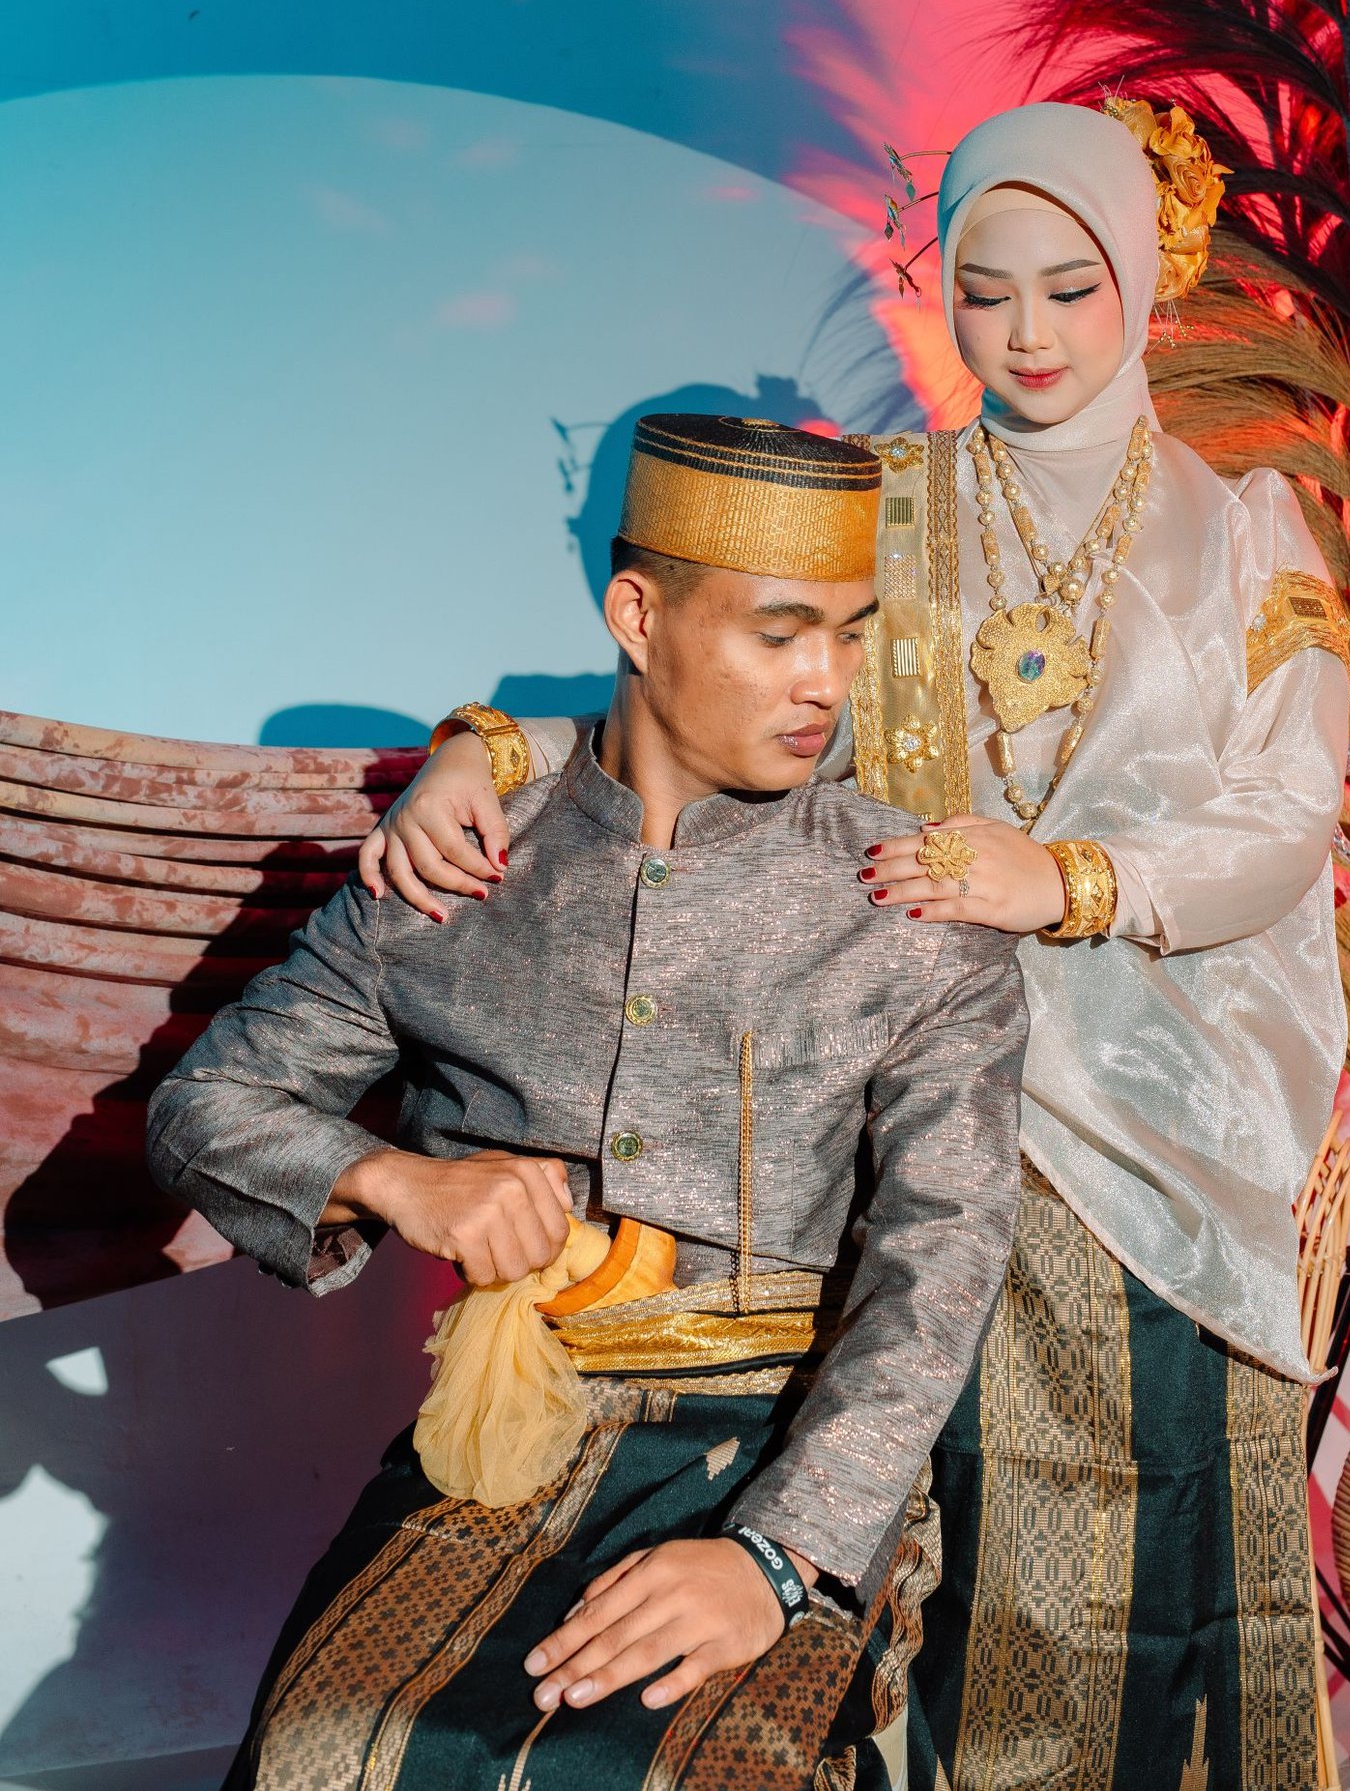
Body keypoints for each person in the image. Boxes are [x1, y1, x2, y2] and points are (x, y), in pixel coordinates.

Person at [370, 102, 1350, 1791]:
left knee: (1138, 1558)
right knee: (900, 1536)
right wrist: (486, 746)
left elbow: (1287, 817)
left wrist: (1069, 881)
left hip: (1154, 1120)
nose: (1026, 335)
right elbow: (690, 702)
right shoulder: (877, 514)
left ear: (1145, 283)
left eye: (1071, 288)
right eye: (984, 291)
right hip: (890, 1091)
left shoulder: (1248, 534)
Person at [146, 414, 1028, 1791]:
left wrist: (777, 1559)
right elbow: (205, 1106)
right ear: (637, 615)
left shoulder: (906, 902)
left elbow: (943, 1261)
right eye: (780, 634)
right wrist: (392, 1179)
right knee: (328, 1753)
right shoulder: (459, 862)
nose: (826, 682)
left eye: (850, 635)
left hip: (785, 1448)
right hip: (505, 1435)